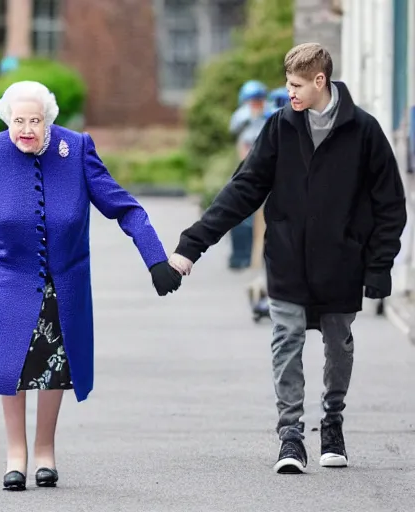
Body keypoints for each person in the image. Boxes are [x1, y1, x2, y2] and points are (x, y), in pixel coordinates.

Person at [168, 43, 407, 473]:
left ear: (321, 81)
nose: (289, 91)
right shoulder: (280, 127)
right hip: (288, 261)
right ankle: (291, 436)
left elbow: (390, 203)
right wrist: (190, 247)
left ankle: (332, 424)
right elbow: (243, 189)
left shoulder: (364, 131)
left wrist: (378, 265)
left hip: (341, 262)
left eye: (296, 84)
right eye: (286, 82)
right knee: (286, 341)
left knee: (339, 345)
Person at [0, 80, 182, 491]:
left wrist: (156, 257)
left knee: (54, 368)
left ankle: (45, 451)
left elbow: (124, 206)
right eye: (18, 120)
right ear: (6, 120)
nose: (26, 129)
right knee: (11, 369)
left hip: (63, 284)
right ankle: (16, 455)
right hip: (6, 283)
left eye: (35, 121)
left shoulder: (76, 149)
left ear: (48, 121)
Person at [227, 80, 269, 270]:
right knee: (240, 215)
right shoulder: (242, 118)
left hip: (266, 172)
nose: (256, 105)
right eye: (252, 101)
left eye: (259, 100)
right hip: (246, 171)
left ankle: (264, 257)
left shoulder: (269, 116)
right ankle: (241, 256)